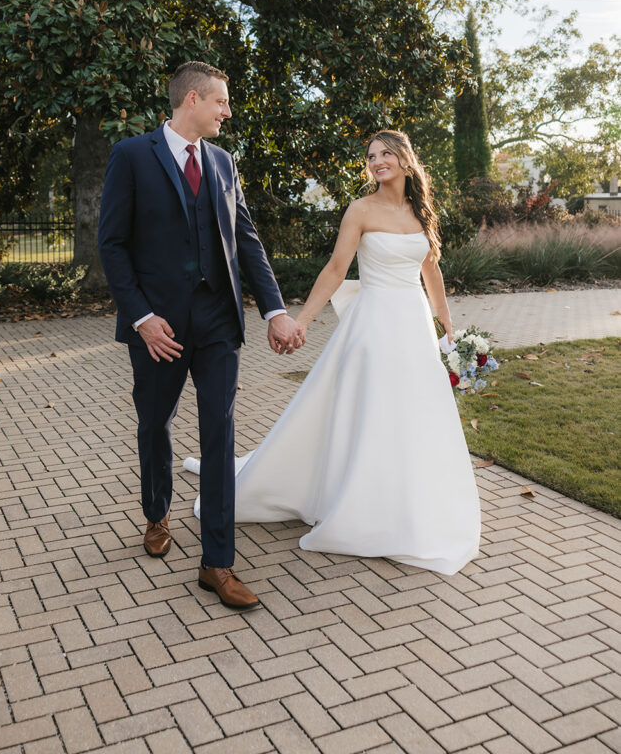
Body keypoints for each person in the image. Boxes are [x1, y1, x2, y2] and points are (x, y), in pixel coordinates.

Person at [186, 129, 481, 575]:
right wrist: (300, 322)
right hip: (372, 326)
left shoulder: (421, 211)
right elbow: (336, 268)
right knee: (371, 410)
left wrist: (446, 323)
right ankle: (357, 500)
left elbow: (430, 269)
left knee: (414, 412)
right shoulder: (360, 210)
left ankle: (409, 497)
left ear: (405, 159)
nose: (376, 161)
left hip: (412, 326)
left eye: (385, 154)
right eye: (371, 156)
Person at [98, 61, 303, 611]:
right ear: (192, 100)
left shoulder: (223, 162)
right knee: (154, 425)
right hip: (158, 328)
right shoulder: (132, 156)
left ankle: (217, 563)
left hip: (217, 322)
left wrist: (275, 311)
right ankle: (157, 512)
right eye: (221, 103)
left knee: (219, 433)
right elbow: (112, 245)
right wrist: (141, 318)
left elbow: (247, 241)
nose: (227, 112)